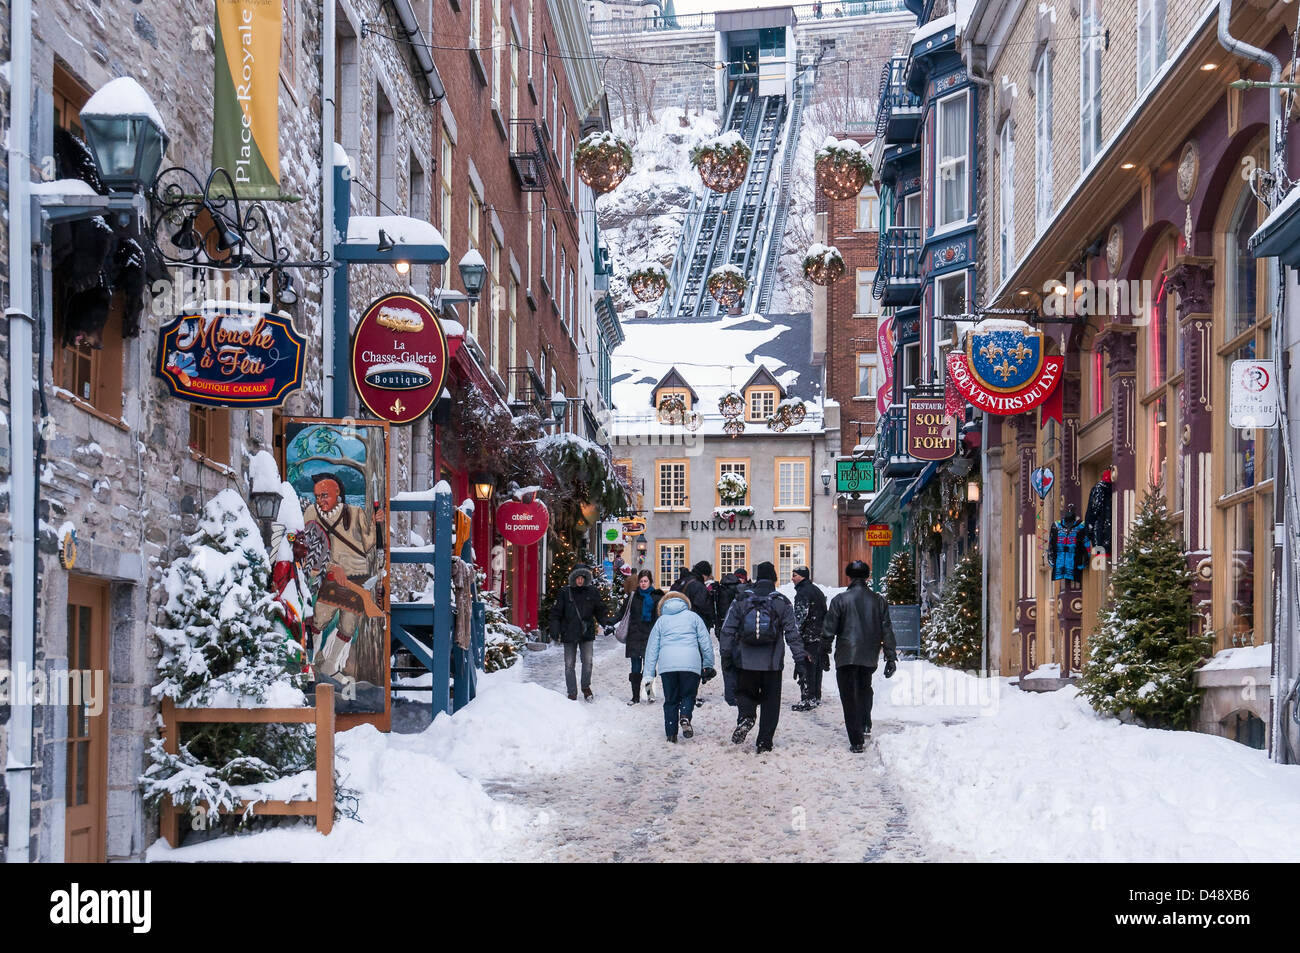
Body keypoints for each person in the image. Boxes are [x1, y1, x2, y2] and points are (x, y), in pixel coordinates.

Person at [719, 561, 809, 753]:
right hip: (772, 663)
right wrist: (800, 659)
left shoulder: (742, 599)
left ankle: (746, 717)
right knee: (770, 702)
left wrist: (726, 655)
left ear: (757, 578)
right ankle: (764, 742)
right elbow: (792, 633)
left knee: (745, 693)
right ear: (774, 579)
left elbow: (727, 630)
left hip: (746, 661)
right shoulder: (782, 601)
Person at [302, 472, 383, 683]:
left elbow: (368, 543)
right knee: (318, 620)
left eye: (325, 495)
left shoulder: (355, 513)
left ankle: (330, 666)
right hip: (327, 577)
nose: (320, 500)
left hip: (357, 577)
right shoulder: (311, 512)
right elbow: (307, 546)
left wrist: (375, 524)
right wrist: (328, 566)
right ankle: (310, 664)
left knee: (348, 625)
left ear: (337, 492)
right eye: (317, 496)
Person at [822, 560, 898, 752]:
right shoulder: (878, 600)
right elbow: (886, 629)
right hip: (869, 654)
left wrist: (824, 651)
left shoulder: (840, 600)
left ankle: (856, 740)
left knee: (849, 695)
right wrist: (890, 656)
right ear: (867, 577)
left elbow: (829, 630)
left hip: (847, 654)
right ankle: (865, 723)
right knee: (865, 688)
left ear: (849, 577)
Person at [643, 592, 716, 742]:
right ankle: (685, 716)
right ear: (685, 603)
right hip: (690, 663)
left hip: (667, 666)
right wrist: (708, 664)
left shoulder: (661, 621)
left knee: (670, 700)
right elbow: (706, 643)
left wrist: (649, 674)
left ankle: (671, 734)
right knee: (688, 695)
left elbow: (651, 649)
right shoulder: (693, 617)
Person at [548, 564, 614, 701]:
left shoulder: (592, 591)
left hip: (586, 632)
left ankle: (585, 687)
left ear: (585, 578)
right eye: (577, 578)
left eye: (582, 578)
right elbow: (556, 613)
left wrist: (606, 623)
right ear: (573, 578)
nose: (580, 581)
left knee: (588, 662)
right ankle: (572, 692)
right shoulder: (564, 593)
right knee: (569, 664)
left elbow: (600, 610)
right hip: (569, 632)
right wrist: (555, 630)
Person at [790, 566, 829, 712]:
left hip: (807, 637)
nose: (792, 578)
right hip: (818, 635)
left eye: (794, 575)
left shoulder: (802, 593)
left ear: (802, 577)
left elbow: (799, 618)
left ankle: (808, 698)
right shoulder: (816, 591)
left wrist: (796, 636)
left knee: (806, 668)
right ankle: (816, 696)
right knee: (817, 668)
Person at [624, 569, 663, 705]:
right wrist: (609, 622)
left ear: (650, 581)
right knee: (635, 669)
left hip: (649, 637)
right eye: (641, 581)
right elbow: (622, 613)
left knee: (649, 667)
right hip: (634, 636)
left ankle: (650, 693)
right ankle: (635, 697)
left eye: (645, 581)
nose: (643, 583)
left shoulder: (656, 597)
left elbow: (661, 618)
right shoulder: (633, 597)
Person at [671, 560, 716, 631]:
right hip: (692, 626)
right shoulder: (699, 586)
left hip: (676, 624)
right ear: (704, 575)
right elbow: (704, 608)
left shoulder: (681, 582)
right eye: (707, 577)